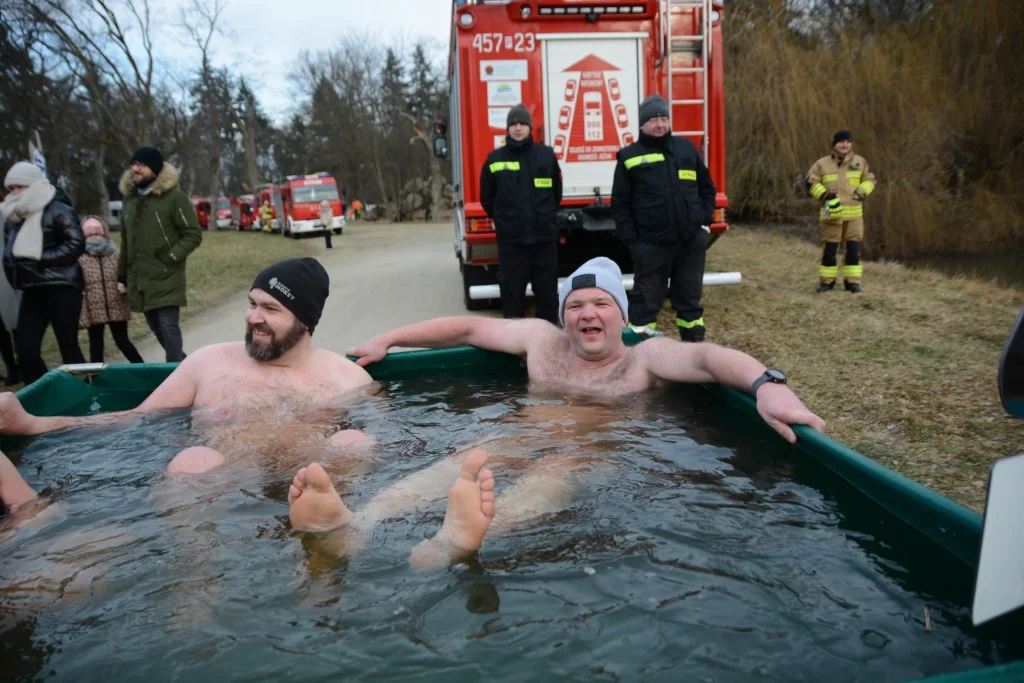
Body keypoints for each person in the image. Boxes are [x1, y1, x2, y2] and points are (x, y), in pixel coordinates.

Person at [286, 256, 825, 567]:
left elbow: (709, 357)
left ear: (622, 314)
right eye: (575, 306)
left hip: (595, 450)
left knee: (560, 470)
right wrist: (390, 339)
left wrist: (765, 384)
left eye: (601, 305)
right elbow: (468, 327)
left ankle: (456, 540)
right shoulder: (542, 342)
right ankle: (359, 525)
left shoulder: (645, 358)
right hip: (521, 432)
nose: (587, 313)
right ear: (563, 315)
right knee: (475, 454)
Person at [0, 258, 375, 473]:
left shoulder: (348, 378)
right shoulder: (208, 362)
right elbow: (131, 420)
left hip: (313, 485)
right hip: (224, 489)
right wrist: (32, 424)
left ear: (305, 322)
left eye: (270, 309)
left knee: (354, 442)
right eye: (252, 303)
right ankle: (194, 595)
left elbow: (396, 444)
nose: (252, 318)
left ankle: (332, 564)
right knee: (193, 461)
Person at [611, 94, 716, 342]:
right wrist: (633, 242)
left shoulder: (686, 149)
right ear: (642, 125)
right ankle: (639, 356)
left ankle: (693, 352)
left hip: (690, 242)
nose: (660, 124)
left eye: (663, 118)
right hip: (651, 246)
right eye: (654, 119)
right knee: (645, 304)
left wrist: (704, 222)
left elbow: (707, 188)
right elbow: (620, 204)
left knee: (690, 302)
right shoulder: (629, 156)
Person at [1, 161, 86, 385]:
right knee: (26, 350)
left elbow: (76, 244)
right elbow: (12, 251)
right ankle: (43, 397)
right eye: (11, 188)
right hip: (31, 288)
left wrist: (40, 259)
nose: (14, 193)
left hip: (63, 287)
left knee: (68, 347)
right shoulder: (13, 217)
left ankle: (86, 395)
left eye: (18, 187)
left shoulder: (58, 208)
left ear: (32, 185)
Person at [480, 103, 562, 324]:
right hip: (512, 244)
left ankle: (547, 344)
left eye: (522, 123)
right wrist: (505, 219)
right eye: (513, 124)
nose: (518, 128)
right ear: (507, 129)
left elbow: (556, 194)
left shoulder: (546, 156)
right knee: (512, 297)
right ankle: (514, 348)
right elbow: (487, 198)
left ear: (530, 127)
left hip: (543, 241)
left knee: (547, 297)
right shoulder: (494, 159)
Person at [118, 146, 203, 362]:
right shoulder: (129, 201)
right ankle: (186, 367)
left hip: (167, 273)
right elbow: (126, 242)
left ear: (155, 170)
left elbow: (193, 234)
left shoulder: (174, 197)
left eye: (142, 165)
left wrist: (171, 257)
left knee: (168, 326)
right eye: (134, 164)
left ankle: (173, 376)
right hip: (141, 276)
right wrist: (122, 276)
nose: (135, 169)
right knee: (156, 328)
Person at [806, 130, 877, 293]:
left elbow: (870, 180)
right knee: (830, 251)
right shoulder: (822, 164)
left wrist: (861, 192)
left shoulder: (860, 162)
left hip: (854, 216)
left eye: (848, 141)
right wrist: (824, 194)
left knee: (853, 250)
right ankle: (826, 282)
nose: (844, 145)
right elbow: (810, 182)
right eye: (841, 142)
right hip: (831, 215)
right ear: (834, 144)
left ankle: (852, 282)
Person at [78, 215, 144, 364]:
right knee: (96, 344)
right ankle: (96, 377)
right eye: (90, 234)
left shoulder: (115, 255)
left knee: (122, 340)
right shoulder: (81, 258)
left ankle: (141, 367)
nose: (94, 237)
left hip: (116, 303)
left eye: (97, 233)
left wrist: (124, 284)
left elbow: (126, 273)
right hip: (93, 306)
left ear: (104, 233)